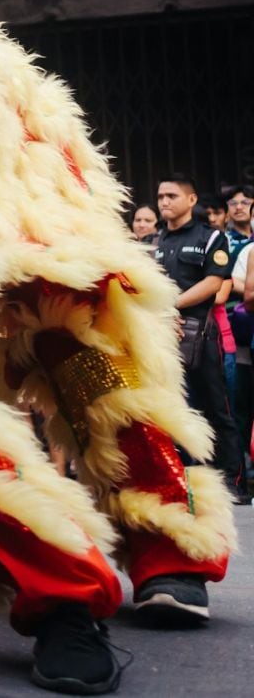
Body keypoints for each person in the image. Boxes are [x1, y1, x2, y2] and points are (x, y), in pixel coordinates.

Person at [153, 175, 237, 494]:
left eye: (172, 195)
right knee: (177, 407)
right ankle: (190, 474)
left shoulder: (211, 237)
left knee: (215, 405)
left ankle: (232, 478)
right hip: (162, 335)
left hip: (201, 333)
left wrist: (170, 305)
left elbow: (214, 283)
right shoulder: (159, 240)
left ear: (191, 200)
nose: (164, 201)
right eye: (160, 196)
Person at [220, 186, 252, 503]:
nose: (240, 207)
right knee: (239, 405)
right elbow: (226, 278)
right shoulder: (228, 243)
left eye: (246, 202)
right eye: (234, 202)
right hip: (237, 330)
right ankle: (241, 477)